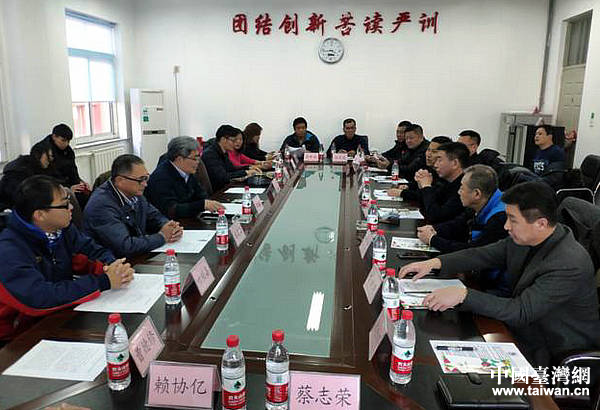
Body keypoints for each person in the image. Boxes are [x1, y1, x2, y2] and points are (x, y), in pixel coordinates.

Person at [399, 181, 600, 366]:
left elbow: (521, 311)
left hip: (552, 350)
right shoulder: (529, 237)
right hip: (523, 329)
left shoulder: (568, 263)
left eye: (512, 220)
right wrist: (434, 263)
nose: (506, 226)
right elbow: (482, 254)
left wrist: (464, 295)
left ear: (541, 223)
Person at [0, 175, 134, 340]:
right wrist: (103, 281)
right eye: (64, 204)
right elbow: (38, 298)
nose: (71, 207)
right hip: (15, 337)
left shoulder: (62, 229)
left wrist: (114, 266)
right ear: (40, 214)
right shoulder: (9, 250)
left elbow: (91, 251)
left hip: (57, 317)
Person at [417, 165, 509, 295]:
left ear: (476, 194)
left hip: (495, 287)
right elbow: (458, 224)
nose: (459, 192)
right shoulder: (481, 203)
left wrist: (433, 240)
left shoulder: (501, 217)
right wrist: (434, 229)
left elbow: (475, 253)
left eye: (462, 188)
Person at [84, 154, 183, 258]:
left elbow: (154, 216)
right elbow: (125, 247)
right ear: (120, 180)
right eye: (140, 180)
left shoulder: (134, 193)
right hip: (111, 262)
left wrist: (169, 226)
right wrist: (162, 237)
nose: (145, 184)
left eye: (146, 178)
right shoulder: (101, 205)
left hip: (136, 255)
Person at [146, 137, 223, 218]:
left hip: (186, 219)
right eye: (195, 159)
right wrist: (201, 205)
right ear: (179, 159)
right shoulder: (161, 178)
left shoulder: (186, 171)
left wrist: (208, 203)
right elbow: (171, 210)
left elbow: (201, 195)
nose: (198, 162)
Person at [412, 142, 468, 224]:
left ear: (455, 163)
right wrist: (422, 186)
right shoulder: (446, 182)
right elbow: (425, 207)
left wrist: (426, 186)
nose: (435, 165)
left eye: (439, 160)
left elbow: (436, 216)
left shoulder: (464, 187)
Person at [387, 136, 451, 201]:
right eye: (428, 150)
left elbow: (430, 196)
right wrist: (408, 186)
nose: (428, 155)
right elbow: (417, 185)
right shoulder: (429, 168)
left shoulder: (445, 176)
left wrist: (402, 193)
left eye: (434, 152)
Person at [202, 126, 260, 192]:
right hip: (217, 192)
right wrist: (246, 172)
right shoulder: (210, 154)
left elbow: (232, 169)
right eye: (233, 140)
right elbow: (223, 177)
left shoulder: (223, 152)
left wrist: (249, 168)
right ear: (223, 140)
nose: (235, 143)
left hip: (225, 188)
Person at [0, 139, 54, 209]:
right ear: (38, 155)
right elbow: (20, 198)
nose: (50, 159)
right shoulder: (20, 171)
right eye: (48, 156)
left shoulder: (37, 168)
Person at [44, 124, 90, 201]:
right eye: (63, 140)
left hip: (69, 185)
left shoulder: (68, 150)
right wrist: (68, 188)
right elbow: (49, 177)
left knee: (89, 195)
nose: (66, 144)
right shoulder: (45, 151)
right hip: (55, 190)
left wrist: (80, 182)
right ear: (54, 137)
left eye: (68, 141)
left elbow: (73, 169)